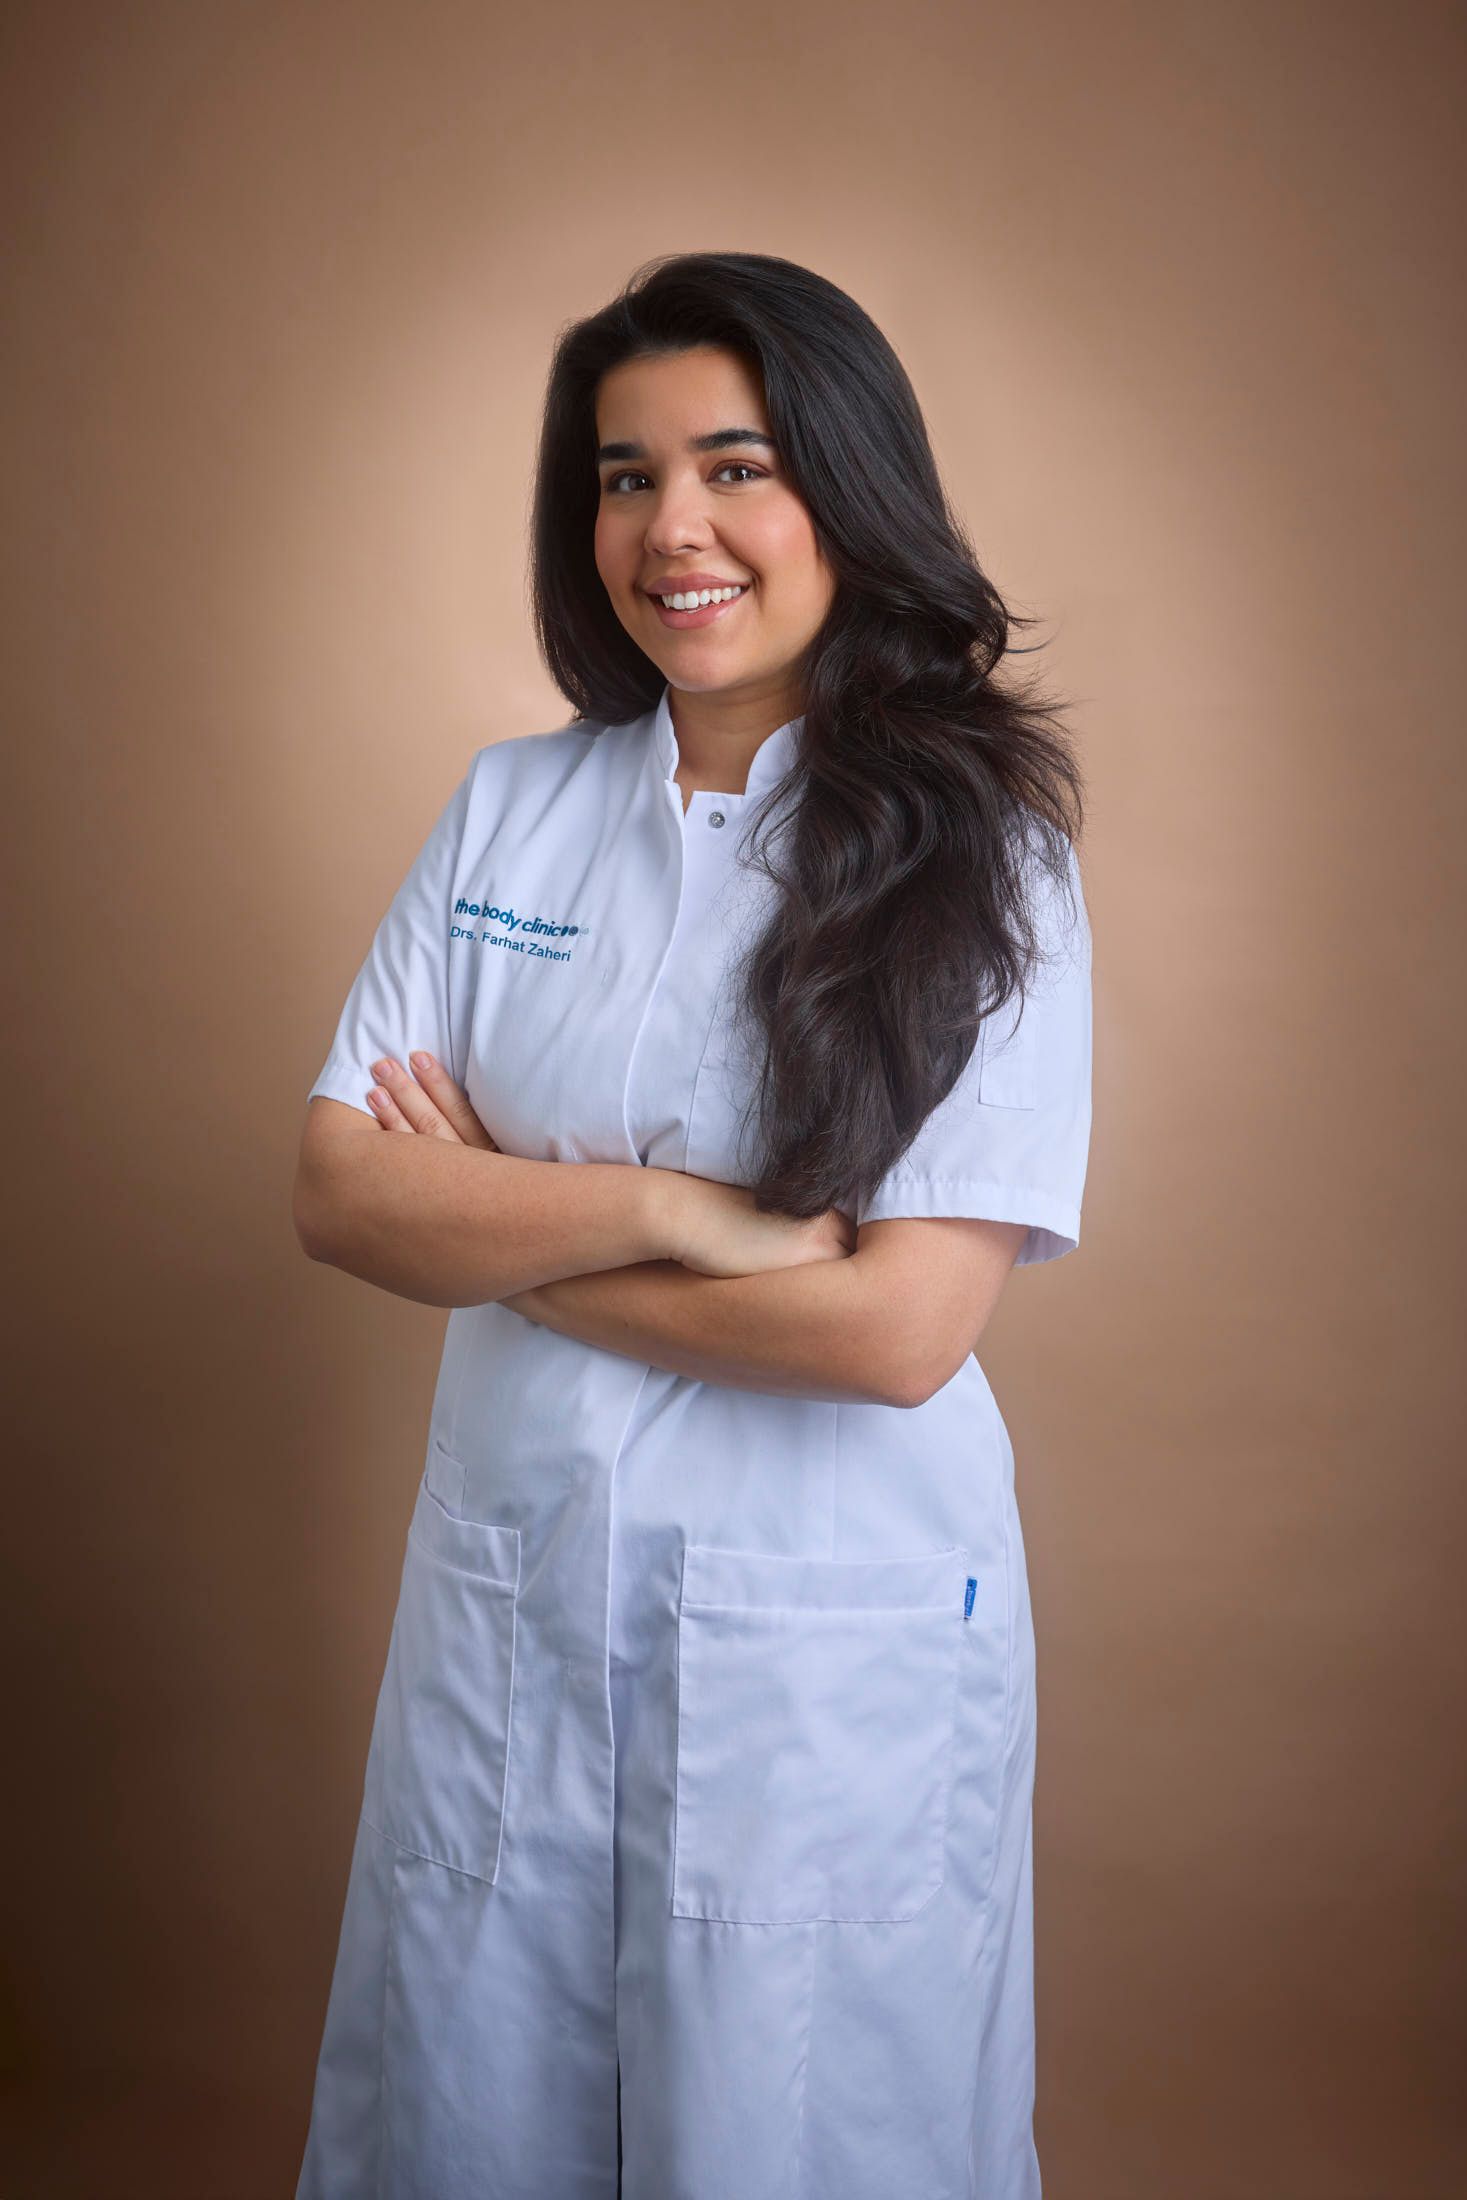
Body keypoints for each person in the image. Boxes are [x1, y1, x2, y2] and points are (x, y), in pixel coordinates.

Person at [291, 249, 1093, 2200]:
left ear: (846, 488)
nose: (673, 529)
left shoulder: (983, 849)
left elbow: (895, 1331)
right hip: (516, 1613)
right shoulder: (510, 810)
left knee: (796, 2138)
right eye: (623, 476)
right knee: (472, 2117)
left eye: (735, 467)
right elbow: (341, 1189)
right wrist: (680, 1215)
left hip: (819, 1645)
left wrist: (509, 1225)